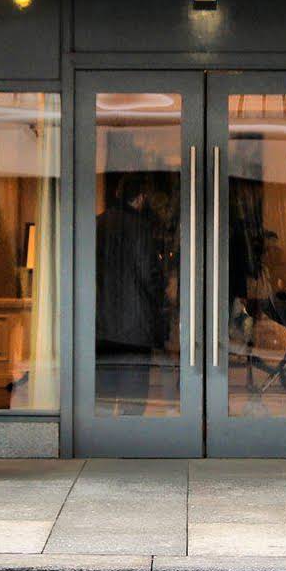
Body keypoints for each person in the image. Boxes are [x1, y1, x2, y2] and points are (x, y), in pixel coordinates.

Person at [96, 173, 172, 414]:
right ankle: (127, 435)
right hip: (135, 328)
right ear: (140, 198)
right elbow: (151, 276)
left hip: (101, 326)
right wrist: (163, 301)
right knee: (133, 400)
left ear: (118, 194)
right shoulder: (141, 228)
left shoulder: (97, 224)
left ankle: (102, 436)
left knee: (103, 397)